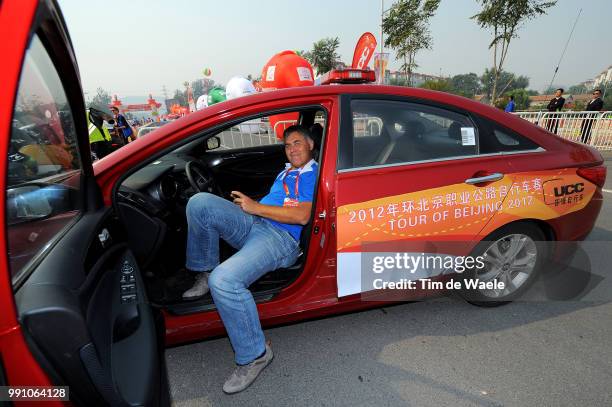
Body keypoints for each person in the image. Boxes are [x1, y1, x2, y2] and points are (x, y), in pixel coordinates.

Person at [182, 125, 318, 393]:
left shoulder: (314, 174)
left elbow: (302, 216)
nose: (292, 149)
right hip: (256, 223)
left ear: (311, 145)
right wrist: (246, 209)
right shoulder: (287, 170)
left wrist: (254, 207)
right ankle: (205, 271)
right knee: (200, 203)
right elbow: (274, 202)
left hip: (281, 239)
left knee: (226, 280)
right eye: (288, 145)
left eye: (297, 143)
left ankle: (255, 355)